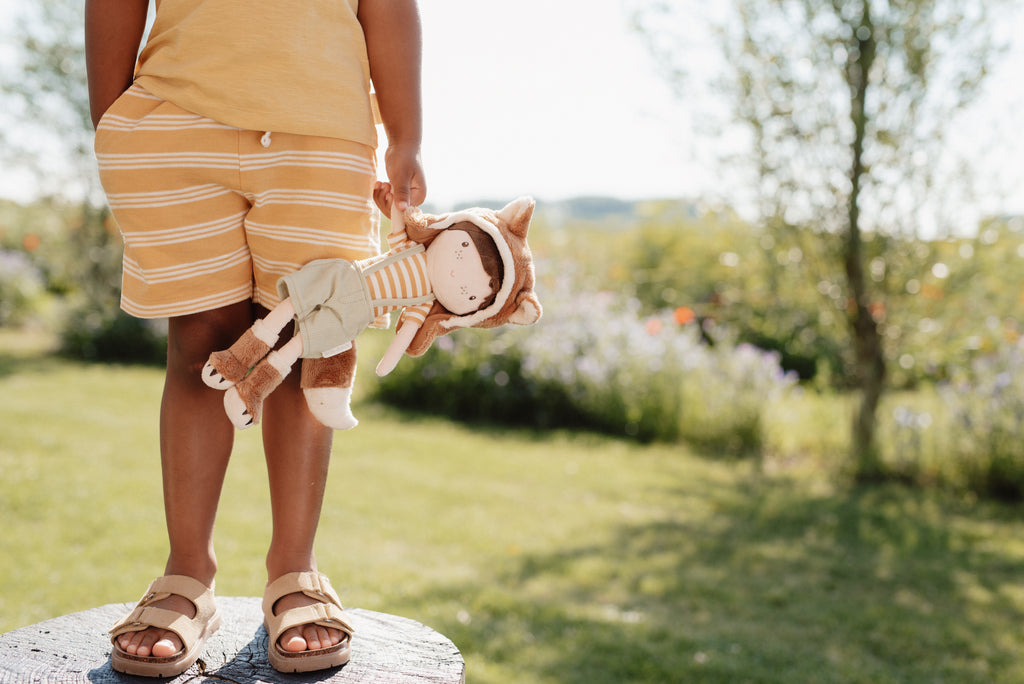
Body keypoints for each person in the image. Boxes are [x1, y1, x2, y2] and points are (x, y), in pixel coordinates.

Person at [85, 0, 426, 675]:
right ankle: (187, 575)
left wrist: (406, 137)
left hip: (325, 130)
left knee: (313, 342)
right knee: (200, 346)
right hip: (175, 120)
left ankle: (294, 571)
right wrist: (110, 121)